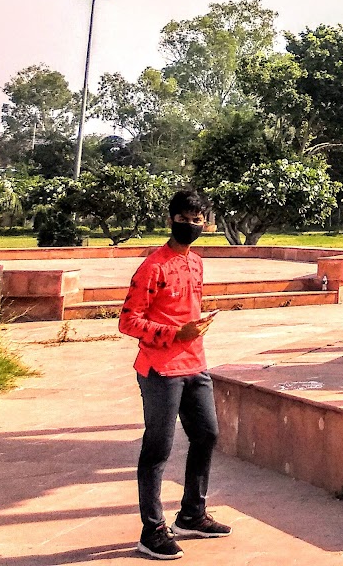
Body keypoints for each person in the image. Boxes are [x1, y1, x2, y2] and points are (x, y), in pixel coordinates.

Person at [118, 189, 232, 560]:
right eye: (184, 219)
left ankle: (192, 514)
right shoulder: (153, 266)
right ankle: (152, 531)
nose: (191, 225)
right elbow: (128, 321)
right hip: (159, 369)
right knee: (158, 448)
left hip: (195, 364)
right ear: (171, 220)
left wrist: (194, 329)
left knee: (207, 436)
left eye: (197, 219)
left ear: (205, 222)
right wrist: (172, 334)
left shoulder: (196, 262)